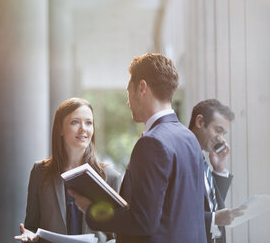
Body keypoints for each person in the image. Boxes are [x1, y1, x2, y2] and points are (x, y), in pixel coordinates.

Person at [70, 53, 207, 242]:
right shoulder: (189, 138)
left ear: (142, 88)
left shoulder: (152, 143)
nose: (128, 102)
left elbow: (143, 221)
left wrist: (91, 211)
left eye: (128, 91)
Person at [14, 97, 122, 243]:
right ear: (60, 129)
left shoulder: (110, 178)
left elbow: (117, 236)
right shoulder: (40, 172)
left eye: (89, 123)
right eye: (75, 122)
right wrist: (30, 236)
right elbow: (32, 226)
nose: (83, 128)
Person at [188, 99, 244, 243]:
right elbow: (179, 211)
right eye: (218, 130)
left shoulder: (201, 159)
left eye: (224, 133)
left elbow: (209, 204)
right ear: (200, 122)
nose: (221, 139)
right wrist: (213, 218)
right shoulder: (183, 156)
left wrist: (218, 169)